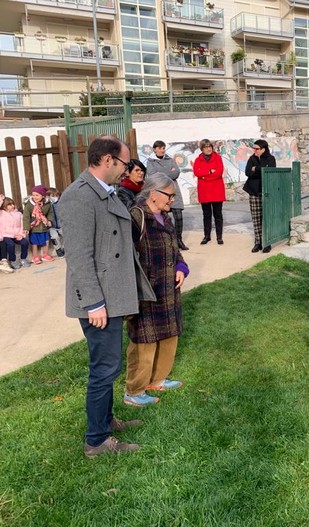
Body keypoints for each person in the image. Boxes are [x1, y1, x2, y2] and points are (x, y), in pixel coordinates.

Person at [59, 136, 156, 457]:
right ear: (107, 160)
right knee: (104, 368)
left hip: (112, 295)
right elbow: (78, 255)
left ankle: (106, 419)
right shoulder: (78, 197)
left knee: (109, 366)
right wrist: (93, 303)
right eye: (124, 164)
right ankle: (96, 440)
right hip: (98, 301)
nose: (127, 170)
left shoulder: (103, 192)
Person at [124, 174, 189, 407]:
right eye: (169, 195)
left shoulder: (166, 218)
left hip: (169, 289)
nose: (172, 200)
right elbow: (125, 256)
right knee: (145, 340)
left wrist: (181, 267)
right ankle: (134, 390)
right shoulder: (136, 217)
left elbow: (175, 250)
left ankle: (158, 379)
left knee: (169, 335)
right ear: (153, 194)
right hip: (147, 291)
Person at [148, 140, 188, 251]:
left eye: (163, 148)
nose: (162, 150)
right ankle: (169, 241)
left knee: (178, 216)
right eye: (160, 148)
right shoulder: (151, 161)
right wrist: (169, 172)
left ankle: (179, 239)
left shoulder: (170, 159)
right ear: (155, 149)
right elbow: (152, 175)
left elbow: (177, 173)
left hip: (173, 190)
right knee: (164, 217)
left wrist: (161, 174)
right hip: (160, 192)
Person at [243, 139, 276, 253]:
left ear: (263, 149)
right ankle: (258, 242)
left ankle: (267, 242)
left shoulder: (270, 159)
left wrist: (255, 169)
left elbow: (269, 171)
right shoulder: (252, 158)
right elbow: (247, 172)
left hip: (266, 193)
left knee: (266, 218)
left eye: (257, 149)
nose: (254, 150)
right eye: (254, 148)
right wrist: (260, 170)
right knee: (256, 218)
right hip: (253, 192)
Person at [192, 139, 225, 245]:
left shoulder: (218, 158)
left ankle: (219, 236)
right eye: (206, 147)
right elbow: (197, 172)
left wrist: (204, 176)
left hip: (216, 190)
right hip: (204, 191)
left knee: (218, 214)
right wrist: (209, 172)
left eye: (210, 146)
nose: (209, 148)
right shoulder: (198, 160)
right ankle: (207, 236)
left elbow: (219, 172)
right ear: (202, 149)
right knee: (206, 215)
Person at [22, 185, 55, 265]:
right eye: (33, 195)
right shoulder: (29, 205)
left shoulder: (47, 204)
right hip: (33, 227)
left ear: (43, 195)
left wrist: (50, 220)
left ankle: (45, 254)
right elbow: (26, 217)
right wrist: (26, 228)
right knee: (34, 243)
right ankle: (35, 256)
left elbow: (50, 213)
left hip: (44, 225)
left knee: (46, 241)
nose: (35, 197)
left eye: (37, 195)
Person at [0, 197, 30, 270]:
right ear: (4, 206)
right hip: (6, 235)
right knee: (11, 244)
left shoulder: (18, 214)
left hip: (17, 235)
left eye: (13, 204)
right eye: (9, 204)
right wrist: (1, 200)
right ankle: (12, 260)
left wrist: (21, 234)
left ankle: (23, 258)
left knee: (25, 242)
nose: (12, 206)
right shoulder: (1, 213)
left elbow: (22, 225)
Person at [46, 188, 65, 258]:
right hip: (52, 226)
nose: (53, 197)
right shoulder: (47, 205)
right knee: (54, 238)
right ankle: (58, 250)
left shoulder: (61, 203)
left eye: (54, 195)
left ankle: (65, 249)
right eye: (50, 196)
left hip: (61, 224)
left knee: (66, 236)